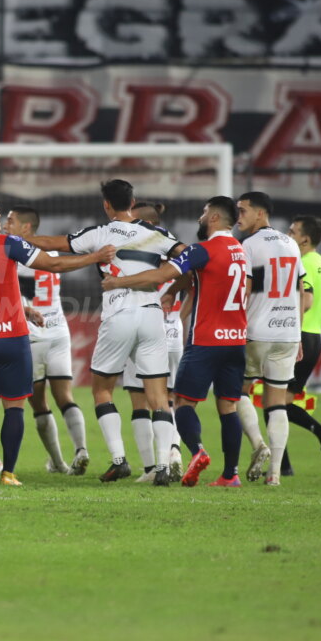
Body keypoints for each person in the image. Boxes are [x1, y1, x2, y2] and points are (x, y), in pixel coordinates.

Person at [27, 179, 184, 483]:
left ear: (106, 205)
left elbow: (56, 245)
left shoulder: (100, 233)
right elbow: (185, 255)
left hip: (119, 314)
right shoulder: (157, 233)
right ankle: (163, 466)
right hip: (153, 316)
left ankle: (119, 460)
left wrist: (23, 239)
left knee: (102, 390)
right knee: (159, 395)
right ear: (133, 200)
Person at [0, 193, 114, 485]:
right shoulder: (8, 243)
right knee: (14, 406)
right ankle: (8, 473)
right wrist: (94, 257)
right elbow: (52, 265)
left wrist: (24, 307)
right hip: (12, 338)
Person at [103, 196, 250, 487]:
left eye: (205, 213)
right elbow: (200, 275)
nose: (200, 218)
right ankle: (230, 474)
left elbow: (162, 274)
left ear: (216, 218)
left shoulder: (202, 250)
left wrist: (118, 282)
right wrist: (176, 290)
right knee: (228, 406)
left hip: (206, 341)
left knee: (182, 402)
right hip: (236, 340)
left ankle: (196, 452)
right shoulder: (241, 251)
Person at [4, 205, 91, 475]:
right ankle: (82, 449)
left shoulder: (16, 256)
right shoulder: (51, 254)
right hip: (59, 331)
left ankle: (59, 462)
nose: (7, 225)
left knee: (39, 402)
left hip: (32, 335)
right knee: (65, 395)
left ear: (26, 228)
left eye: (11, 221)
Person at [235, 191, 310, 487]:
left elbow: (245, 291)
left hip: (257, 331)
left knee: (236, 391)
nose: (239, 216)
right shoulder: (291, 243)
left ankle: (258, 444)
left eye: (243, 210)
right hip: (288, 332)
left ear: (260, 213)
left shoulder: (249, 245)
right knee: (276, 401)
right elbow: (301, 290)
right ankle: (275, 474)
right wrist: (299, 335)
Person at [119, 199, 185, 481]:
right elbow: (192, 277)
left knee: (140, 402)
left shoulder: (135, 252)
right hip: (173, 334)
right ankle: (173, 451)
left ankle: (150, 468)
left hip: (143, 332)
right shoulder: (176, 250)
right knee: (169, 400)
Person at [286, 214, 321, 470]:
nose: (287, 235)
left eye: (292, 232)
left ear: (304, 239)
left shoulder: (302, 264)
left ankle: (284, 464)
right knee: (280, 402)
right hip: (314, 339)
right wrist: (313, 332)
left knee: (273, 403)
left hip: (296, 339)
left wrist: (295, 334)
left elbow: (304, 300)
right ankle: (285, 463)